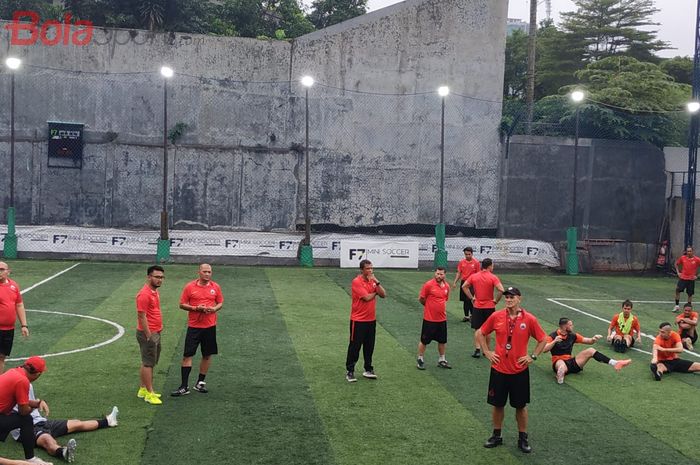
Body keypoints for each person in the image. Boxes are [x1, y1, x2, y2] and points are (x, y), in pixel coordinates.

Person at [475, 287, 546, 454]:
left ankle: (523, 438)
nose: (508, 299)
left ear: (519, 299)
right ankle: (496, 435)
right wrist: (486, 351)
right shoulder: (497, 316)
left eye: (511, 297)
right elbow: (480, 332)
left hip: (519, 371)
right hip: (499, 369)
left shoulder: (529, 319)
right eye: (506, 297)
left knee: (520, 406)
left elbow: (543, 340)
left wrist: (533, 356)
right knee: (497, 404)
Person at [11, 385, 118, 463]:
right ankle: (63, 452)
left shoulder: (27, 384)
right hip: (26, 429)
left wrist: (39, 402)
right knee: (47, 440)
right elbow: (23, 411)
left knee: (76, 423)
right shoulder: (7, 392)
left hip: (41, 421)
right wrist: (37, 403)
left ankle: (108, 421)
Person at [172, 264, 224, 396]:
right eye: (205, 272)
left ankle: (200, 383)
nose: (207, 274)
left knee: (207, 355)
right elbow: (182, 304)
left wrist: (214, 309)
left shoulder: (215, 287)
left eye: (209, 272)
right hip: (194, 327)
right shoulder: (190, 287)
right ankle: (184, 387)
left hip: (210, 327)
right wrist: (196, 308)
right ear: (199, 272)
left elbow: (220, 302)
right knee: (187, 356)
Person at [544, 317, 631, 385]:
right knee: (561, 367)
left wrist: (593, 339)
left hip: (572, 362)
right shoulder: (552, 336)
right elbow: (544, 349)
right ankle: (560, 374)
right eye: (570, 325)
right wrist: (554, 341)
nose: (572, 326)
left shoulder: (572, 335)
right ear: (564, 326)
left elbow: (588, 341)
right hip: (558, 361)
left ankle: (615, 363)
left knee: (590, 350)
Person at [0, 356, 53, 465]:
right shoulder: (22, 381)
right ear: (38, 374)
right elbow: (23, 411)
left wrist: (38, 403)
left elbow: (21, 400)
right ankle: (30, 459)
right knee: (26, 419)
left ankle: (30, 459)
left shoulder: (13, 371)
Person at [345, 260, 386, 382]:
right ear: (362, 270)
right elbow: (367, 298)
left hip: (371, 320)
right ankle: (350, 371)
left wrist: (377, 282)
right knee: (355, 346)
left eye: (371, 268)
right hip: (358, 321)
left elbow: (383, 294)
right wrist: (375, 293)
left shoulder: (373, 282)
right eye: (368, 269)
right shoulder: (356, 282)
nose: (370, 271)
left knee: (369, 346)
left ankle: (368, 369)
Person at [464, 258, 504, 358]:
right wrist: (496, 301)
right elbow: (501, 290)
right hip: (489, 306)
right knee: (488, 329)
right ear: (490, 266)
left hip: (477, 306)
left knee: (477, 328)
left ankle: (477, 349)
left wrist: (472, 298)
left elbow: (464, 286)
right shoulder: (493, 277)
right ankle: (486, 350)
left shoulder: (474, 276)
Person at [136, 265, 164, 405]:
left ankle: (142, 389)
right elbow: (142, 316)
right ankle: (149, 393)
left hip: (155, 331)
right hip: (149, 334)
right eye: (157, 277)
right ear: (149, 277)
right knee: (148, 363)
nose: (160, 280)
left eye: (161, 277)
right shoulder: (145, 294)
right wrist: (149, 335)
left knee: (149, 361)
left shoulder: (153, 291)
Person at [416, 268, 451, 370]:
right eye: (437, 274)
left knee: (442, 340)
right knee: (424, 340)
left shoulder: (447, 286)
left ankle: (442, 359)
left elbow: (445, 299)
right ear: (435, 274)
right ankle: (420, 359)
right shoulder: (428, 285)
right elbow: (421, 298)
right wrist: (428, 307)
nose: (439, 276)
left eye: (441, 274)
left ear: (444, 275)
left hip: (442, 319)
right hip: (429, 319)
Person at [0, 262, 30, 373]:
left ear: (8, 271)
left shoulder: (14, 286)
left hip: (8, 329)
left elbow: (19, 304)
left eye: (2, 269)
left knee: (2, 357)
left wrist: (24, 325)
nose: (0, 271)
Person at [452, 247, 480, 322]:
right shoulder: (461, 262)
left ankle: (472, 316)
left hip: (472, 283)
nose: (467, 256)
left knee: (471, 299)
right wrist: (455, 282)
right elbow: (459, 273)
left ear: (472, 254)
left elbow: (478, 274)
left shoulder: (476, 263)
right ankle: (466, 316)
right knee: (465, 300)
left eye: (469, 254)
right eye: (466, 254)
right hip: (464, 282)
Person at [674, 246, 700, 312]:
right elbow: (676, 264)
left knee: (690, 294)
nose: (689, 252)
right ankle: (677, 306)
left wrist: (697, 276)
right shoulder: (683, 258)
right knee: (677, 290)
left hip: (691, 280)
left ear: (693, 251)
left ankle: (689, 309)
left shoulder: (697, 259)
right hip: (683, 278)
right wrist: (678, 272)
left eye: (690, 251)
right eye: (688, 251)